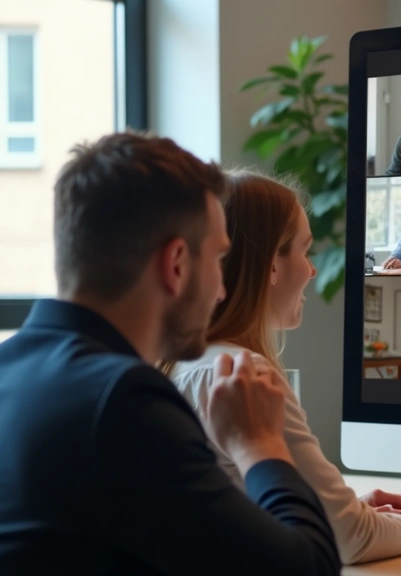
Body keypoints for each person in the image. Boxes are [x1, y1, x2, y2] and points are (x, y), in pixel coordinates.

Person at [0, 133, 340, 575]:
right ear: (177, 264)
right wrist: (260, 444)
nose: (223, 288)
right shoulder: (122, 402)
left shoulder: (13, 370)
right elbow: (306, 569)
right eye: (219, 260)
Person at [167, 172, 401, 565]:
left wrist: (330, 511)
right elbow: (352, 539)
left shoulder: (187, 364)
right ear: (270, 266)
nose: (313, 271)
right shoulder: (244, 377)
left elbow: (234, 516)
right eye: (305, 252)